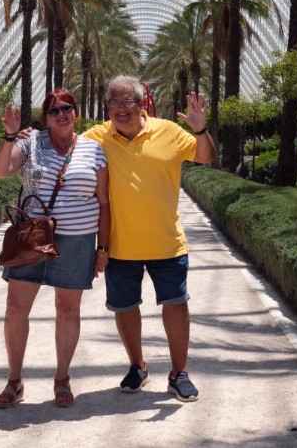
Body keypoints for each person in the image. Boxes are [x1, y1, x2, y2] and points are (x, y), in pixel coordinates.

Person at [83, 75, 216, 402]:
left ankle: (179, 373)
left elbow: (205, 156)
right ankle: (137, 366)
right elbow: (63, 146)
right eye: (114, 102)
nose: (120, 108)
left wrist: (200, 130)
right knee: (125, 308)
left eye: (127, 101)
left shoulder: (168, 131)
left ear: (141, 103)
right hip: (120, 246)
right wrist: (22, 138)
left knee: (176, 305)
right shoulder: (98, 137)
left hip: (166, 242)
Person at [0, 89, 110, 409]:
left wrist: (103, 248)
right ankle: (14, 381)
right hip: (31, 237)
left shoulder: (94, 150)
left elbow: (103, 202)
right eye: (54, 111)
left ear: (76, 113)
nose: (62, 115)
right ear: (45, 118)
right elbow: (1, 171)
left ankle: (62, 378)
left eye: (67, 108)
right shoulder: (31, 142)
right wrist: (10, 135)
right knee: (16, 308)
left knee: (68, 310)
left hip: (77, 240)